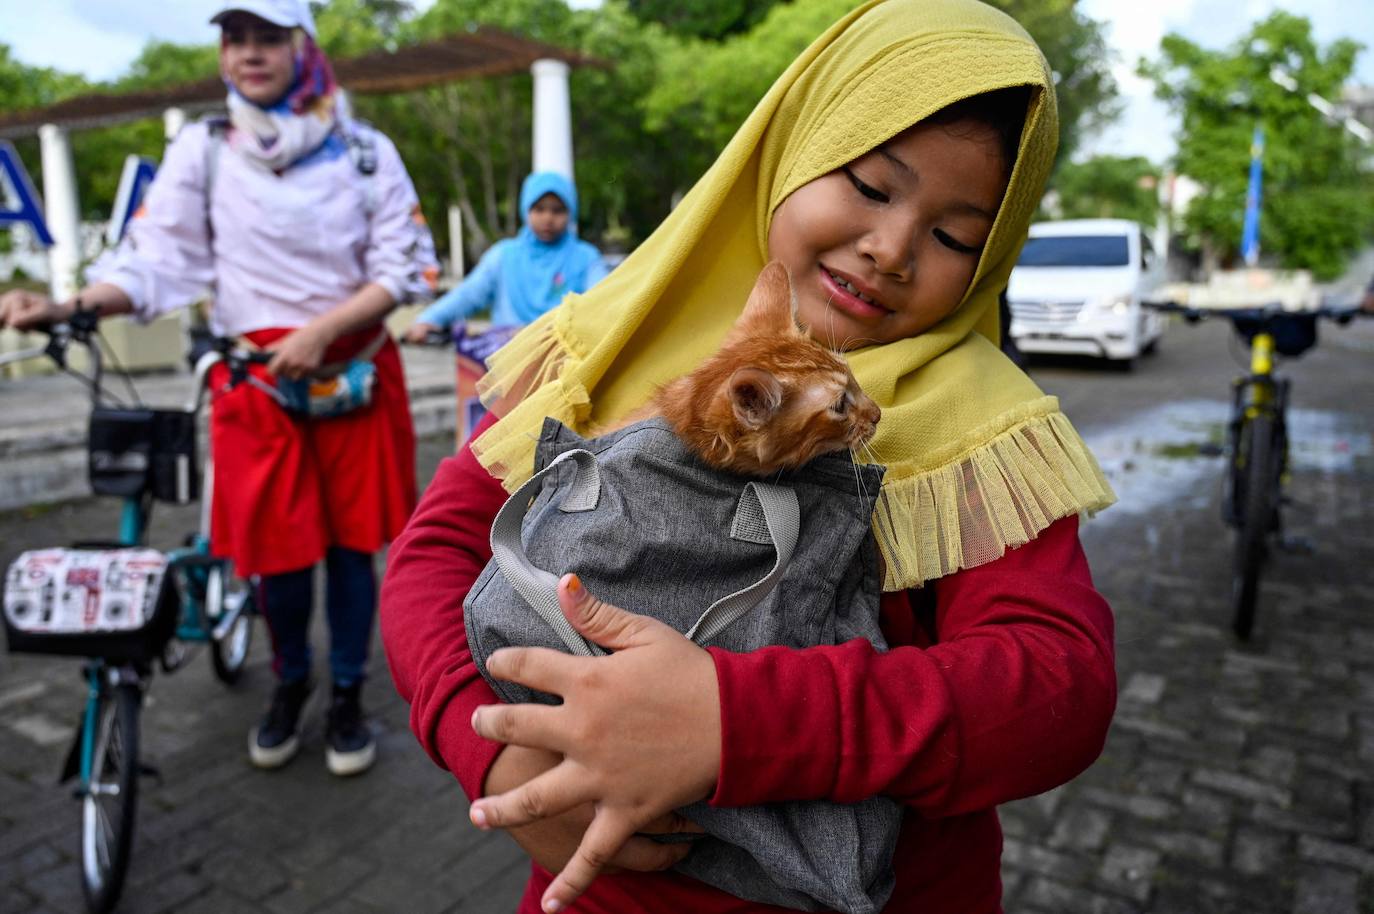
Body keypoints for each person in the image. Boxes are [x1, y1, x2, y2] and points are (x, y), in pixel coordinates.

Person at [380, 0, 1117, 911]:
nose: (890, 249)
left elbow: (1060, 684)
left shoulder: (984, 427)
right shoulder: (611, 343)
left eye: (955, 236)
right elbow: (437, 551)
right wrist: (488, 750)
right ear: (792, 148)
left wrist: (736, 723)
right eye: (871, 186)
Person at [0, 0, 438, 777]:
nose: (249, 53)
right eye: (235, 38)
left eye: (268, 36)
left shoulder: (364, 151)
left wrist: (320, 331)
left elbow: (402, 267)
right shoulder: (204, 151)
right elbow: (156, 259)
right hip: (253, 384)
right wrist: (68, 306)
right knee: (277, 558)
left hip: (352, 374)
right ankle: (289, 684)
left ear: (301, 45)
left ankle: (343, 695)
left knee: (346, 553)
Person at [404, 171, 607, 341]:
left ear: (570, 212)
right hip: (506, 363)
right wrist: (429, 320)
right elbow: (468, 295)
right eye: (539, 209)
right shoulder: (504, 256)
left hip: (566, 365)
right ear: (526, 209)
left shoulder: (587, 258)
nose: (548, 218)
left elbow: (603, 301)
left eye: (557, 210)